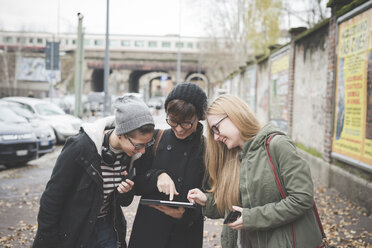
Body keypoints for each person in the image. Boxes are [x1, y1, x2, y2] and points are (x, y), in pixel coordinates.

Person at [187, 94, 323, 248]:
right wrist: (207, 201)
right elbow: (236, 206)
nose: (216, 138)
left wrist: (251, 218)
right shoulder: (232, 157)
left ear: (235, 115)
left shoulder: (277, 145)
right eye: (213, 133)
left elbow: (302, 198)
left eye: (216, 129)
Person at [32, 95, 155, 248]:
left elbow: (124, 202)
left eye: (147, 144)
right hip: (75, 228)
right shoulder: (81, 147)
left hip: (108, 227)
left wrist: (125, 191)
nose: (142, 151)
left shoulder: (132, 155)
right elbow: (52, 197)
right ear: (121, 134)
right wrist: (47, 238)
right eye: (138, 145)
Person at [129, 83, 207, 248]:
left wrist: (185, 215)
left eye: (186, 123)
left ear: (198, 117)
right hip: (149, 231)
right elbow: (135, 184)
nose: (178, 129)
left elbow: (213, 195)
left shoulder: (208, 149)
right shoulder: (156, 139)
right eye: (173, 121)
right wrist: (157, 175)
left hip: (186, 234)